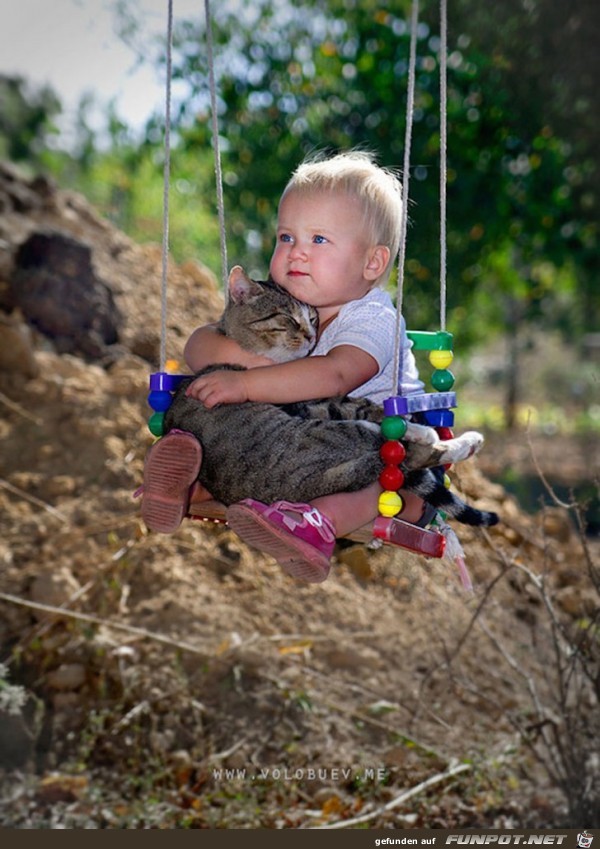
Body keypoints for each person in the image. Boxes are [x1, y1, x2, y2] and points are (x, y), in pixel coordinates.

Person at [141, 150, 428, 582]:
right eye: (286, 237)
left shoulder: (373, 317)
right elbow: (200, 343)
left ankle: (315, 525)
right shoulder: (290, 304)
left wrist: (247, 384)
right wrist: (242, 363)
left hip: (386, 440)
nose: (296, 253)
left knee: (388, 486)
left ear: (372, 263)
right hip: (302, 442)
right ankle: (194, 480)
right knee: (222, 412)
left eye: (318, 240)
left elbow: (335, 375)